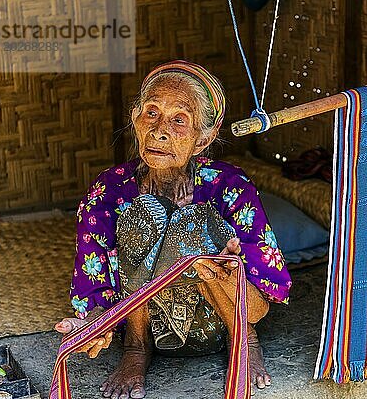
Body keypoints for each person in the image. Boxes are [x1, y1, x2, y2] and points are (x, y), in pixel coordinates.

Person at [54, 60, 292, 399]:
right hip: (148, 328)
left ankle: (245, 343)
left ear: (202, 139)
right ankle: (136, 349)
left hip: (223, 322)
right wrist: (90, 325)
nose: (159, 130)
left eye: (179, 120)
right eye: (151, 113)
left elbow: (257, 307)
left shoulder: (230, 186)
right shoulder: (109, 190)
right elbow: (96, 287)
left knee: (190, 222)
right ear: (134, 118)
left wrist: (222, 273)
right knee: (140, 215)